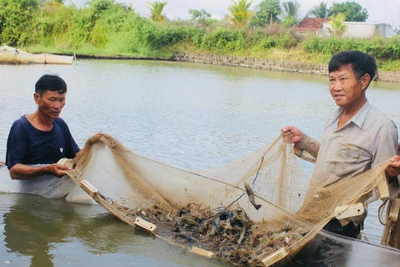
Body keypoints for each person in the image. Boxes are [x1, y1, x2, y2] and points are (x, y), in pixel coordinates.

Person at [282, 50, 400, 238]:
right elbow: (333, 160)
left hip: (340, 224)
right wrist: (303, 140)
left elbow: (382, 185)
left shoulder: (382, 128)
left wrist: (392, 174)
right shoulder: (334, 116)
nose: (336, 87)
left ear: (364, 81)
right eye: (331, 80)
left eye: (343, 79)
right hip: (312, 212)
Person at [5, 74, 79, 180]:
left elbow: (75, 155)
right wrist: (46, 170)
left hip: (56, 186)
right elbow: (14, 171)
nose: (58, 106)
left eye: (61, 100)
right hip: (31, 190)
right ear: (37, 98)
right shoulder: (21, 127)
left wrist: (94, 145)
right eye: (52, 100)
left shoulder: (60, 124)